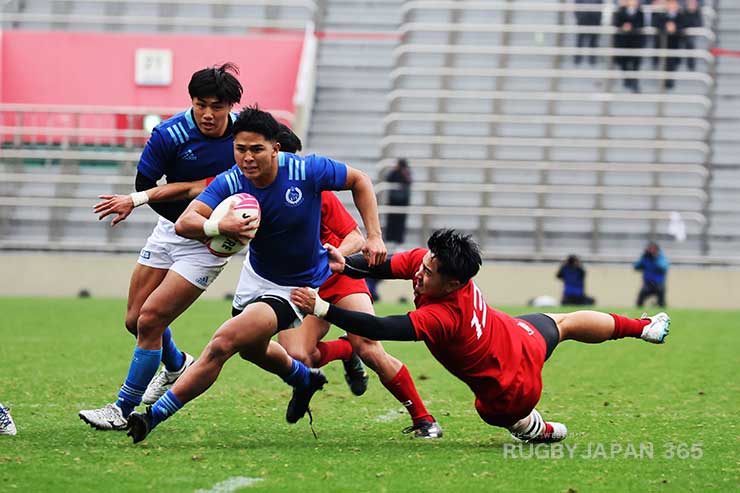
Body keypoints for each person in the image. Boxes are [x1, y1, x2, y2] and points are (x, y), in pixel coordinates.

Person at [95, 126, 439, 438]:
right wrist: (218, 227)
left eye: (257, 150)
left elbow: (354, 229)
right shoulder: (236, 183)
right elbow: (187, 218)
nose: (248, 158)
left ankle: (150, 417)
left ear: (277, 152)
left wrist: (351, 248)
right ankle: (307, 379)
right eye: (241, 149)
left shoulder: (310, 179)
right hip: (261, 279)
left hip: (322, 275)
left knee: (362, 344)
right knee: (280, 353)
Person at [290, 229, 671, 443]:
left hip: (511, 387)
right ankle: (643, 328)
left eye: (429, 272)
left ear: (454, 282)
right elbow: (390, 265)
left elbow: (379, 328)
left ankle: (535, 427)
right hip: (515, 336)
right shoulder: (434, 265)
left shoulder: (443, 316)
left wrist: (321, 308)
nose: (420, 273)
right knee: (566, 323)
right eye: (423, 265)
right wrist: (348, 264)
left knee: (498, 416)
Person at [79, 63, 244, 431]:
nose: (208, 113)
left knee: (151, 320)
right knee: (134, 320)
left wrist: (210, 231)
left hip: (214, 243)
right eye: (201, 104)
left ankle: (122, 409)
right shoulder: (169, 133)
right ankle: (175, 364)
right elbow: (146, 184)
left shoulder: (246, 135)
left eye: (217, 106)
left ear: (232, 106)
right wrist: (190, 224)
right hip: (173, 229)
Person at [273, 190, 441, 438]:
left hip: (337, 275)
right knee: (299, 356)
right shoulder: (252, 195)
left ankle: (424, 420)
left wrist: (333, 257)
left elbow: (355, 238)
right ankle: (345, 350)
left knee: (368, 346)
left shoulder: (313, 190)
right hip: (299, 284)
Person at [613, 0, 646, 92]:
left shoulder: (640, 12)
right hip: (623, 42)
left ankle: (635, 83)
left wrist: (631, 27)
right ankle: (627, 80)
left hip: (635, 42)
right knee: (624, 63)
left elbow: (641, 25)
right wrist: (623, 27)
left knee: (635, 64)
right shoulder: (620, 11)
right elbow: (616, 23)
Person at [654, 0, 686, 89]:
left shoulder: (681, 15)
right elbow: (657, 25)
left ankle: (669, 81)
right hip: (664, 44)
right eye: (670, 4)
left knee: (673, 63)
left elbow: (684, 26)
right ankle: (666, 81)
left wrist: (675, 28)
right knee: (665, 62)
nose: (672, 6)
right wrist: (666, 27)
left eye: (673, 4)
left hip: (675, 44)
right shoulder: (661, 15)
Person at [384, 158, 412, 246]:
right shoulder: (394, 173)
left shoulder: (406, 173)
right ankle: (389, 239)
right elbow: (388, 178)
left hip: (402, 201)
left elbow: (409, 181)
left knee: (400, 222)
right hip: (394, 200)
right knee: (391, 221)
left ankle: (398, 241)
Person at [634, 241, 669, 307]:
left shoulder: (660, 257)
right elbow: (636, 267)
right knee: (640, 299)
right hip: (648, 284)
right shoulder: (645, 257)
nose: (651, 251)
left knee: (661, 301)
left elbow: (664, 267)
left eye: (653, 249)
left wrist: (655, 258)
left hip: (658, 283)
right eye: (650, 249)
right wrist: (643, 258)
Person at [574, 0, 603, 66]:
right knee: (580, 40)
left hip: (595, 19)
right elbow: (576, 4)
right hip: (583, 18)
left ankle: (592, 58)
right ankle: (578, 58)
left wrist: (599, 18)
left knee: (593, 40)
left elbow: (601, 4)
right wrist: (578, 17)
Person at [681, 0, 702, 71]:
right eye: (690, 3)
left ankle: (691, 64)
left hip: (691, 36)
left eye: (693, 3)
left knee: (690, 42)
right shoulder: (683, 13)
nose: (691, 5)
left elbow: (699, 24)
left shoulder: (697, 13)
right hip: (683, 35)